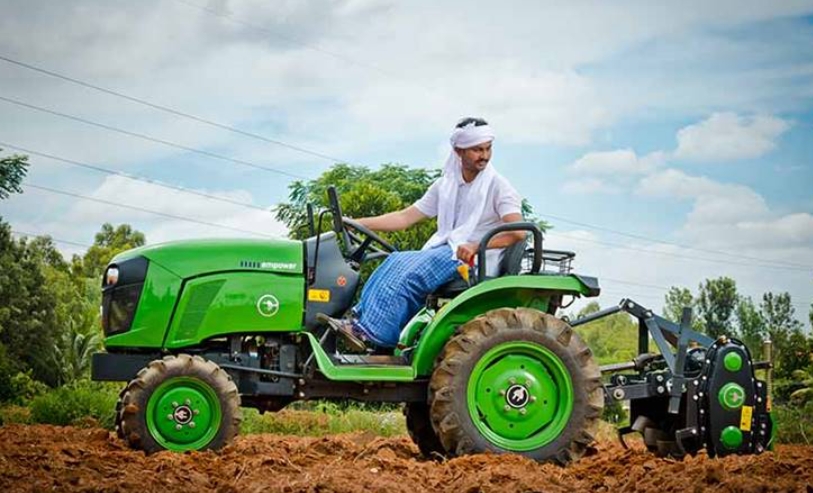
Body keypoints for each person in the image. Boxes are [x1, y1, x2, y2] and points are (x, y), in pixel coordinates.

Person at [321, 117, 525, 351]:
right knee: (395, 260)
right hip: (447, 250)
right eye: (477, 149)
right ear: (459, 151)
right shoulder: (446, 184)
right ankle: (358, 323)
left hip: (472, 260)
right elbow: (404, 217)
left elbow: (517, 232)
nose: (485, 156)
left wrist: (476, 246)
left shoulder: (499, 186)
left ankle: (375, 335)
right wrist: (357, 222)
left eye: (488, 148)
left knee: (408, 275)